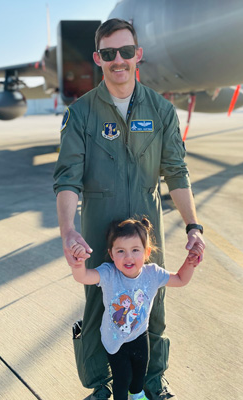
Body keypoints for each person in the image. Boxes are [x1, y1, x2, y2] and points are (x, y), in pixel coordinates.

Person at [53, 18, 205, 400]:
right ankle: (99, 386)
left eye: (125, 51)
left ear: (137, 54)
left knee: (152, 303)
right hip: (99, 225)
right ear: (98, 58)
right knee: (95, 305)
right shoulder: (81, 113)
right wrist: (68, 230)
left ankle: (152, 381)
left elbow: (176, 171)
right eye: (109, 53)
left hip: (146, 228)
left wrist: (193, 226)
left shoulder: (161, 110)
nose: (117, 60)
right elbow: (67, 177)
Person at [70, 218, 202, 400]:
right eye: (121, 251)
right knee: (122, 379)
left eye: (135, 250)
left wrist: (190, 262)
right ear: (111, 253)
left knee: (140, 373)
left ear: (146, 252)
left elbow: (180, 279)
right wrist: (78, 264)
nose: (128, 257)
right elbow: (83, 276)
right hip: (115, 340)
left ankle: (137, 394)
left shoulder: (153, 274)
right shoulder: (109, 273)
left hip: (140, 335)